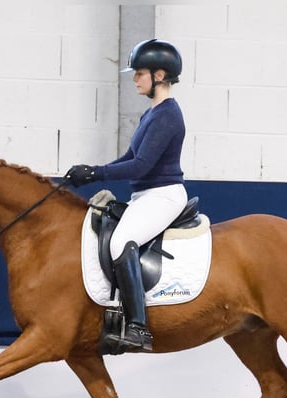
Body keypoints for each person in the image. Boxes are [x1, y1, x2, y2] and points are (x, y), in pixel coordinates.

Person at [66, 38, 188, 353]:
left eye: (140, 74)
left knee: (121, 242)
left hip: (163, 196)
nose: (134, 79)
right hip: (146, 196)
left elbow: (142, 165)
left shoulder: (168, 115)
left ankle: (138, 327)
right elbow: (129, 156)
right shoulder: (152, 113)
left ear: (159, 76)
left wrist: (97, 174)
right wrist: (91, 171)